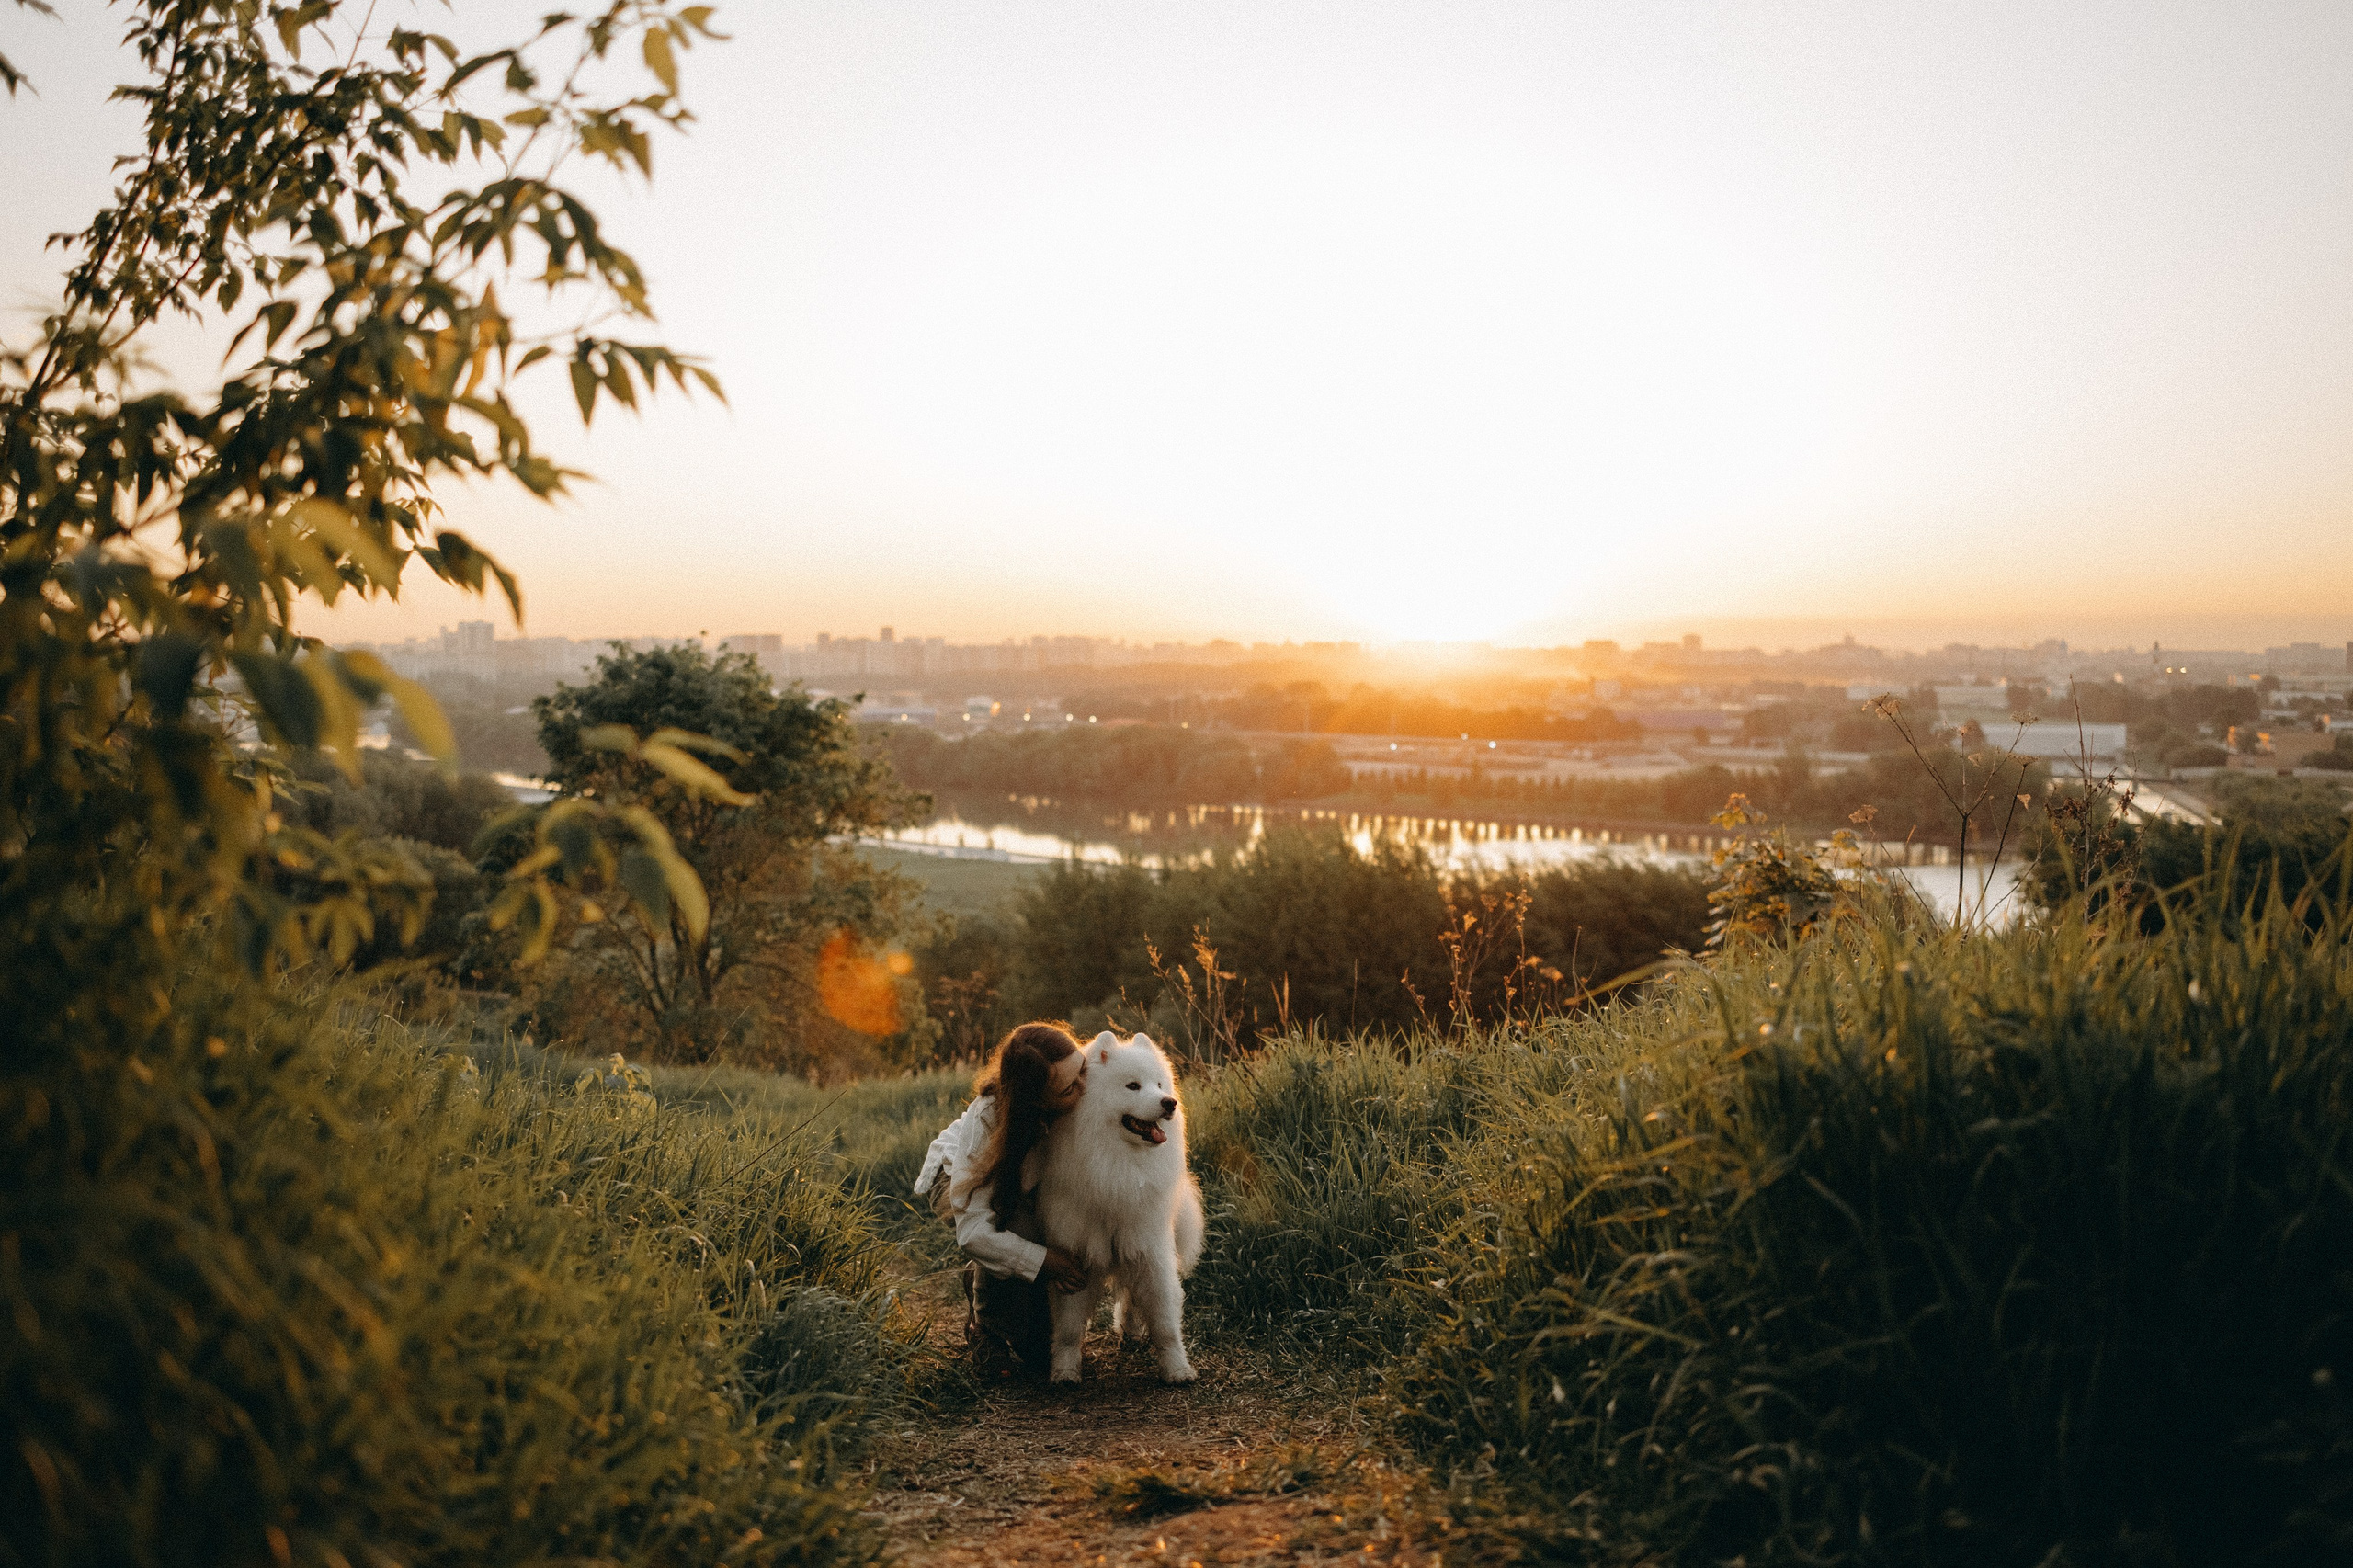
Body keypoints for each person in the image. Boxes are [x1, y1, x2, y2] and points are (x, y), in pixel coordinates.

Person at [914, 1021, 1092, 1379]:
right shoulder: (989, 1120)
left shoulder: (1071, 1092)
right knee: (1008, 1224)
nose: (1085, 1088)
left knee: (1040, 1355)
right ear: (1036, 1099)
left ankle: (990, 1281)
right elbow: (974, 1231)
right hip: (958, 1176)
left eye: (1083, 1070)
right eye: (1068, 1088)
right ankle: (986, 1329)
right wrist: (1046, 1261)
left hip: (1020, 1189)